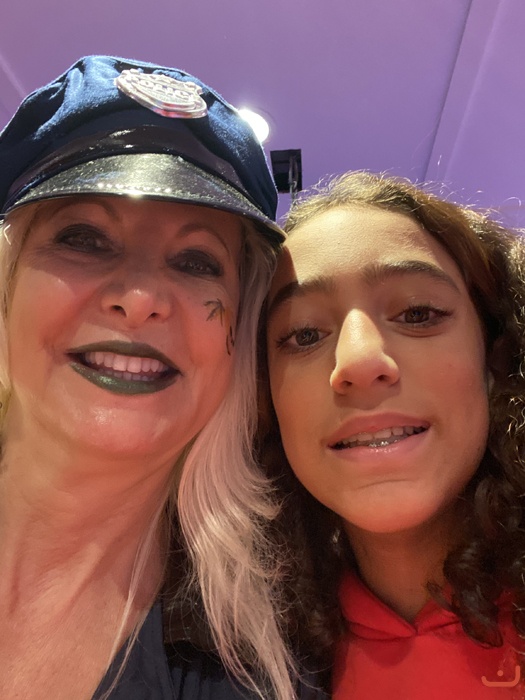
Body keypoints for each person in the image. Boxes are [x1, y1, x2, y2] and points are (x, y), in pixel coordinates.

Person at [0, 54, 300, 700]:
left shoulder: (251, 679)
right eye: (84, 239)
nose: (139, 300)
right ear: (7, 285)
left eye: (196, 262)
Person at [259, 170, 525, 698]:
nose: (360, 361)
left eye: (418, 314)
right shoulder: (247, 663)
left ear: (496, 357)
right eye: (304, 334)